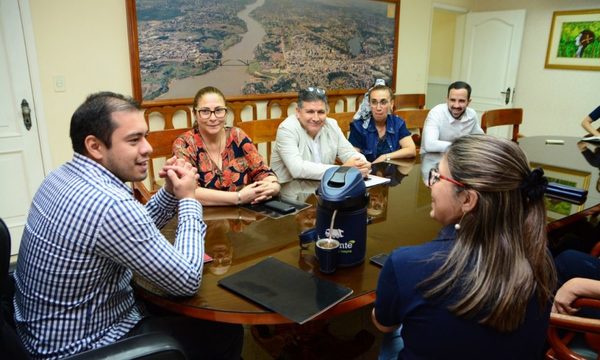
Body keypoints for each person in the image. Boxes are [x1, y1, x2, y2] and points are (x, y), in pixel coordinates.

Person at [13, 92, 243, 359]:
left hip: (37, 332)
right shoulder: (110, 204)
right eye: (134, 140)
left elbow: (131, 229)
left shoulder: (60, 176)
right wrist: (189, 200)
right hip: (81, 347)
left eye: (144, 136)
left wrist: (169, 192)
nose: (147, 148)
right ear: (95, 146)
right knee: (226, 331)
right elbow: (187, 280)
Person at [372, 134, 556, 359]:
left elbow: (384, 325)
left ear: (468, 200)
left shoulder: (407, 264)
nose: (430, 183)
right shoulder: (540, 258)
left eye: (438, 176)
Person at [173, 86, 280, 205]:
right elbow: (189, 192)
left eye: (219, 110)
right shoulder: (184, 144)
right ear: (195, 114)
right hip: (203, 217)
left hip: (245, 214)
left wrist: (273, 186)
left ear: (226, 112)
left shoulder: (237, 135)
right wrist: (238, 197)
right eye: (205, 111)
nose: (213, 118)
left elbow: (262, 172)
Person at [271, 86, 371, 183]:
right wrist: (343, 170)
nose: (316, 118)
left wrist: (362, 164)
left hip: (323, 191)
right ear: (298, 112)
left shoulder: (331, 125)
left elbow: (349, 153)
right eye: (310, 112)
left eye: (321, 112)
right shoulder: (287, 128)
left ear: (327, 112)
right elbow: (297, 169)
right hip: (288, 194)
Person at [348, 81, 416, 163]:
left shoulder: (397, 123)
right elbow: (353, 158)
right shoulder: (359, 126)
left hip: (391, 173)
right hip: (367, 173)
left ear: (391, 104)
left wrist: (385, 157)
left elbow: (411, 150)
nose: (378, 108)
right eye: (374, 102)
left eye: (383, 102)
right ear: (369, 104)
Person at [421, 81, 484, 153]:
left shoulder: (471, 114)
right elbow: (430, 145)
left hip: (459, 158)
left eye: (461, 101)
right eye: (452, 100)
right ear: (447, 99)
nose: (456, 105)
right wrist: (461, 147)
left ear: (468, 102)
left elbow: (480, 140)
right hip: (432, 159)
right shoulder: (436, 113)